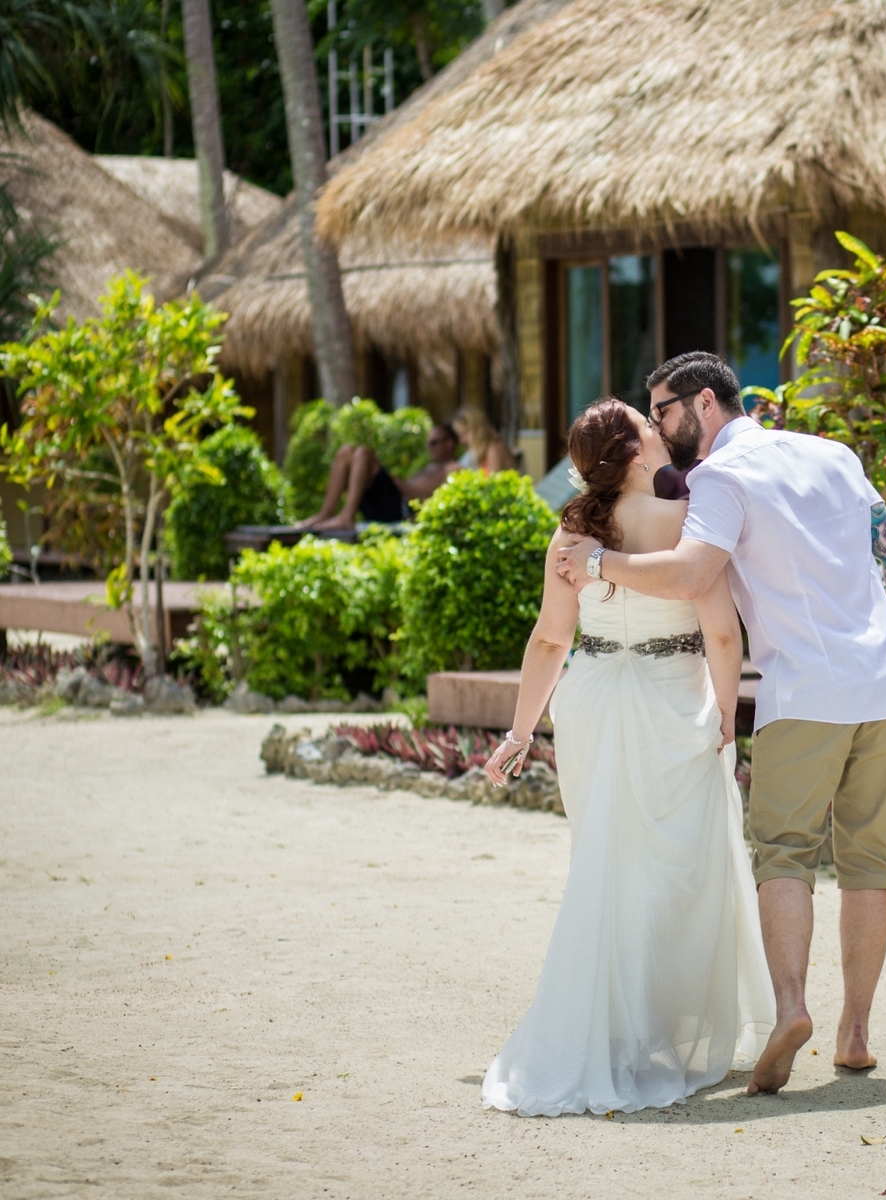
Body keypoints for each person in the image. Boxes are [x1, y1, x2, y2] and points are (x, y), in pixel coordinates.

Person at [551, 351, 886, 1096]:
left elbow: (691, 575)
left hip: (806, 695)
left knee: (786, 857)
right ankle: (856, 1034)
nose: (663, 428)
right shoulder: (833, 453)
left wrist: (601, 563)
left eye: (664, 410)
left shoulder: (719, 480)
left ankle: (792, 1008)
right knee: (871, 865)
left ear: (703, 404)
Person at [479, 398, 774, 1115]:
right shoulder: (688, 521)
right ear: (637, 453)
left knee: (607, 861)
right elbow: (723, 637)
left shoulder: (572, 529)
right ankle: (666, 1031)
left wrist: (522, 731)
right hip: (674, 702)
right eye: (649, 428)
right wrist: (728, 720)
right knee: (683, 870)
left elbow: (550, 640)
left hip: (593, 701)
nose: (660, 431)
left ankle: (618, 1030)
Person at [295, 422, 460, 530]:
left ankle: (347, 516)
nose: (429, 447)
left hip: (401, 511)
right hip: (387, 503)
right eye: (428, 443)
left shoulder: (454, 469)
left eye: (433, 443)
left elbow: (437, 503)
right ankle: (325, 513)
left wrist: (403, 486)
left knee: (364, 453)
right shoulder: (428, 467)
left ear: (449, 443)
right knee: (345, 451)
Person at [453, 405, 517, 474]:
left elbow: (493, 482)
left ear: (477, 429)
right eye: (459, 436)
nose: (461, 441)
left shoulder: (493, 448)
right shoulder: (482, 450)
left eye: (464, 434)